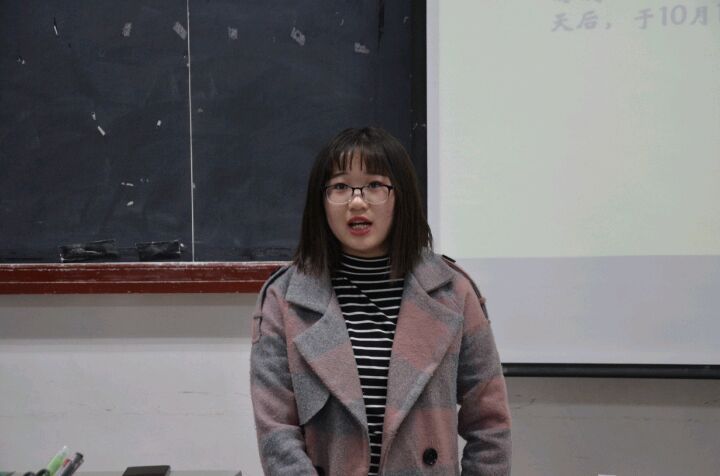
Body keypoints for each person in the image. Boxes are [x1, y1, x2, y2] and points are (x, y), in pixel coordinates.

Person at [250, 127, 511, 475]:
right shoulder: (285, 299)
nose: (357, 202)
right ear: (321, 201)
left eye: (375, 185)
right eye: (340, 187)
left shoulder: (453, 292)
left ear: (401, 195)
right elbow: (276, 431)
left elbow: (490, 425)